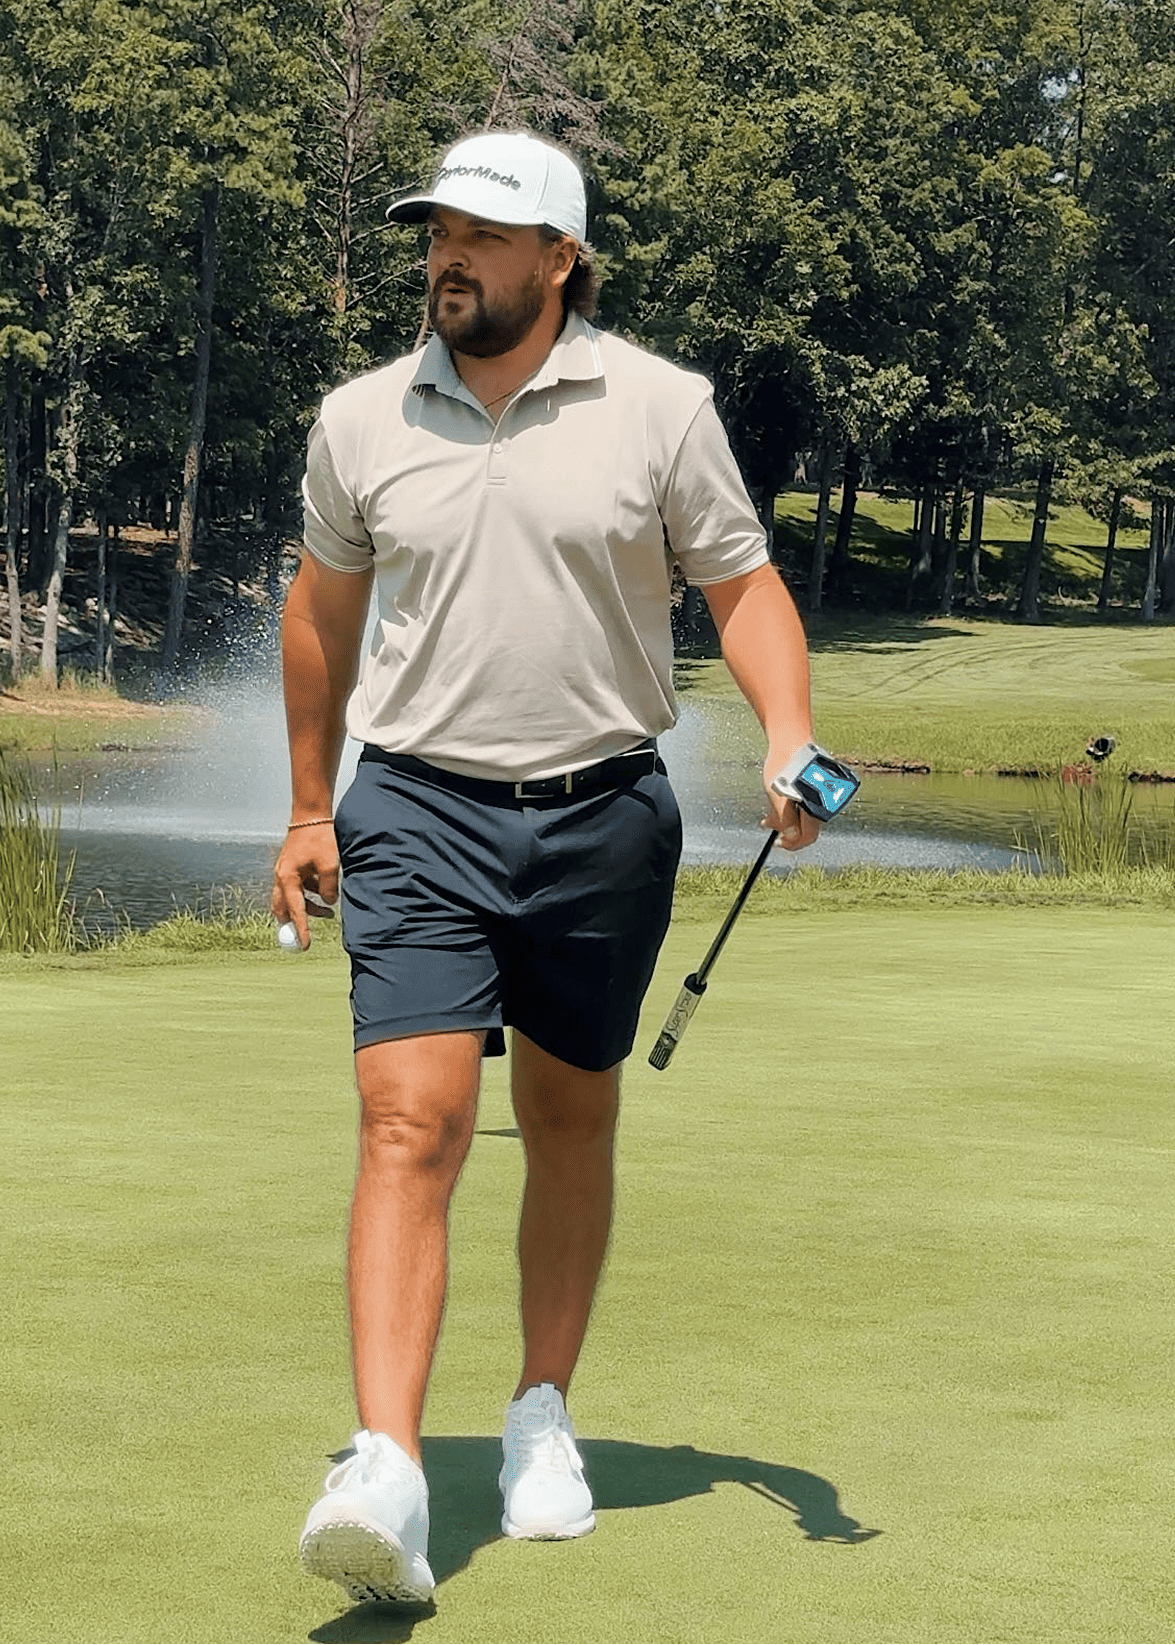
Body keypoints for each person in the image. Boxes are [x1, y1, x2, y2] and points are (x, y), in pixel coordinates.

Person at [273, 130, 825, 1608]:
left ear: (561, 258)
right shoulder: (363, 416)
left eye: (483, 235)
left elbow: (742, 585)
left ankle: (538, 1416)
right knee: (411, 1116)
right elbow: (320, 615)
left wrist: (789, 734)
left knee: (569, 1112)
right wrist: (310, 807)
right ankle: (385, 1462)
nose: (447, 255)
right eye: (437, 229)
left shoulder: (659, 406)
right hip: (418, 811)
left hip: (604, 816)